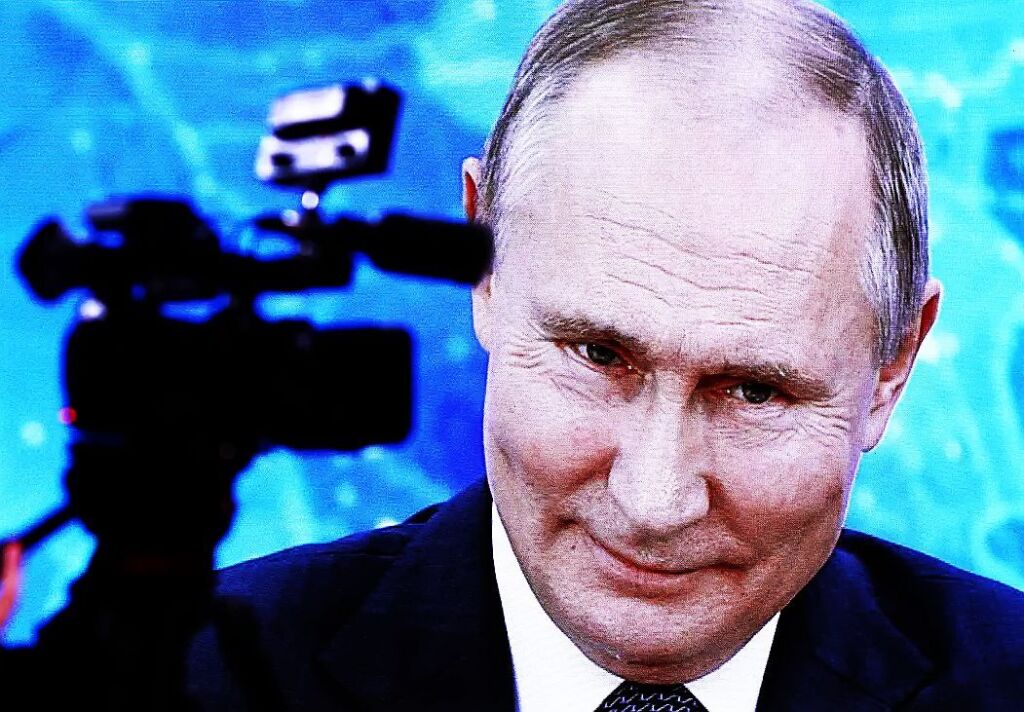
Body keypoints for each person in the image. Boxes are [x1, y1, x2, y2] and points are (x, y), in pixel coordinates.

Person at [188, 0, 1024, 709]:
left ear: (892, 369)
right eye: (597, 354)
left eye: (754, 392)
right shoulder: (196, 676)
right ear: (484, 264)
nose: (654, 502)